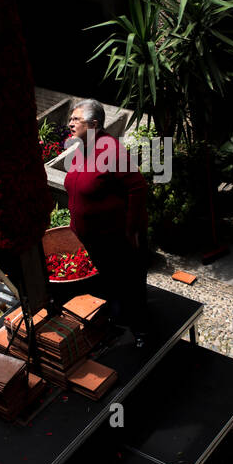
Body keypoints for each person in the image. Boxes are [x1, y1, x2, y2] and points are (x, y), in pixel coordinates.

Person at [64, 99, 149, 346]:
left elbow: (138, 187)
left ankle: (141, 332)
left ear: (94, 124)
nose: (70, 123)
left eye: (76, 119)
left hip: (115, 236)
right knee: (111, 281)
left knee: (130, 283)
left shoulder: (111, 150)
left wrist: (132, 228)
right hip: (93, 236)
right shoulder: (84, 147)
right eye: (71, 119)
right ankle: (117, 322)